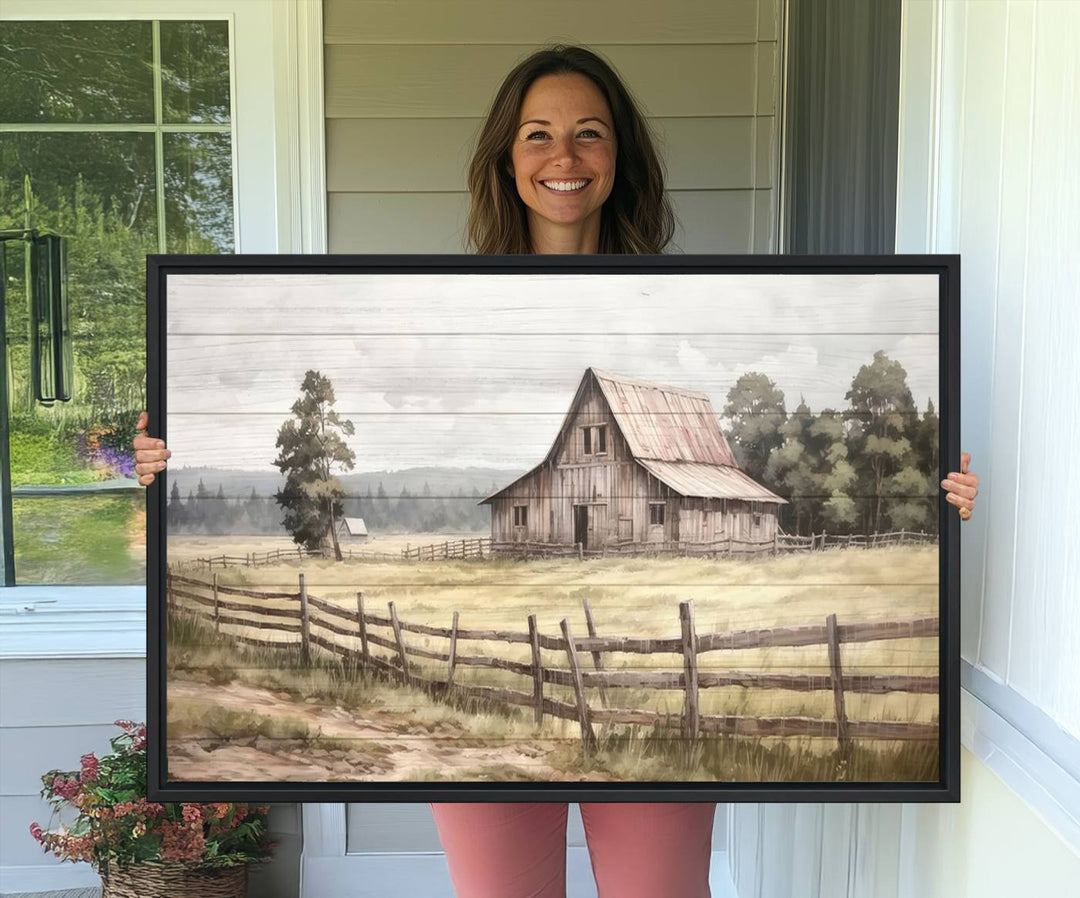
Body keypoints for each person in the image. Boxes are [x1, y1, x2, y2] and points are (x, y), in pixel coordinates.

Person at [133, 44, 980, 898]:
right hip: (488, 756)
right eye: (538, 135)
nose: (563, 157)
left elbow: (717, 467)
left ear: (619, 159)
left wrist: (945, 505)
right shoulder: (455, 301)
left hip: (648, 711)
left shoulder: (678, 303)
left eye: (589, 134)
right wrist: (165, 467)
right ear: (507, 158)